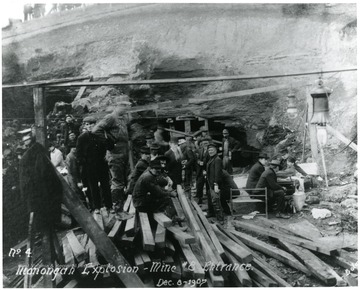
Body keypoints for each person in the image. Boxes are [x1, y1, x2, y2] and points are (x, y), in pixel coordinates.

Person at [92, 100, 132, 215]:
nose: (126, 109)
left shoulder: (123, 118)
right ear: (117, 106)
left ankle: (121, 209)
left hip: (123, 154)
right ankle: (117, 210)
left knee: (123, 182)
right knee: (117, 183)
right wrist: (107, 143)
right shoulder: (111, 117)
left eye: (127, 106)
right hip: (115, 155)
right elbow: (96, 130)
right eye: (124, 106)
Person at [76, 116, 112, 214]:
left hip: (102, 165)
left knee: (105, 186)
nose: (90, 126)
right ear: (85, 126)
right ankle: (97, 207)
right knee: (93, 187)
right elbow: (78, 155)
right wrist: (85, 163)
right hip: (90, 167)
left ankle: (109, 206)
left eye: (92, 124)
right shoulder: (82, 138)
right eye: (88, 124)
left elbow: (110, 145)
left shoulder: (101, 135)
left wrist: (107, 152)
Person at [206, 143, 223, 218]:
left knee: (216, 201)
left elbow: (218, 173)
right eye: (209, 150)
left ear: (216, 150)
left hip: (214, 183)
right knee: (210, 199)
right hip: (210, 183)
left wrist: (216, 184)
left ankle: (220, 217)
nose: (210, 151)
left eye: (212, 150)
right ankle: (211, 213)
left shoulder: (217, 160)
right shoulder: (211, 159)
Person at [195, 136, 211, 204]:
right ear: (201, 144)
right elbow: (196, 158)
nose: (205, 145)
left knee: (208, 184)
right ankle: (200, 198)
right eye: (204, 143)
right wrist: (199, 162)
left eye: (207, 143)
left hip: (208, 170)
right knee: (199, 184)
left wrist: (204, 163)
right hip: (200, 170)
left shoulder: (211, 150)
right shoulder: (199, 150)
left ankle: (209, 198)